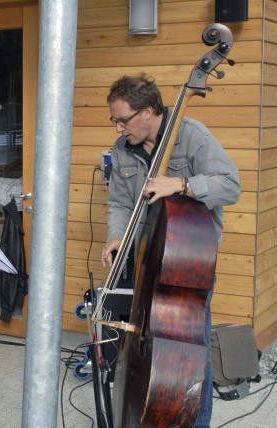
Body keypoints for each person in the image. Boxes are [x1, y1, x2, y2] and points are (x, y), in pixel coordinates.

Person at [100, 74, 241, 427]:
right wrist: (116, 237)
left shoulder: (191, 135)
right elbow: (119, 202)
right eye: (115, 120)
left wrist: (182, 184)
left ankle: (196, 422)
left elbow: (230, 185)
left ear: (148, 111)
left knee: (191, 353)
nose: (118, 128)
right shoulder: (122, 149)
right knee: (146, 347)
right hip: (146, 260)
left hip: (186, 265)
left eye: (123, 120)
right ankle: (146, 413)